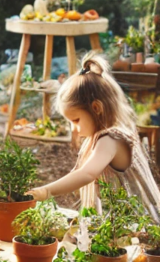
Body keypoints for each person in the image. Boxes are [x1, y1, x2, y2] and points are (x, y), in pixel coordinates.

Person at [27, 53, 160, 220]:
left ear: (96, 108)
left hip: (138, 227)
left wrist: (46, 191)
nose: (73, 128)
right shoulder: (109, 134)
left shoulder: (110, 139)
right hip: (121, 223)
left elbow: (87, 174)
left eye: (76, 120)